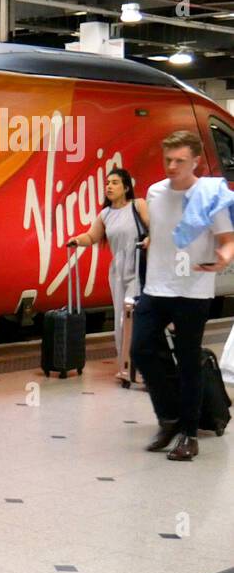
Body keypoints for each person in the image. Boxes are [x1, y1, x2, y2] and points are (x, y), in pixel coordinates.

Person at [129, 131, 234, 460]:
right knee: (142, 350)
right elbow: (160, 232)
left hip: (192, 291)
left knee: (188, 362)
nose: (172, 166)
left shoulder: (209, 195)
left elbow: (227, 240)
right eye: (168, 160)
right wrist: (151, 243)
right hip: (156, 287)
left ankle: (189, 434)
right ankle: (170, 417)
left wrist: (223, 258)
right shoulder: (155, 192)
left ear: (196, 162)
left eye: (179, 161)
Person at [67, 167, 149, 382]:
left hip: (140, 267)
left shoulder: (138, 205)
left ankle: (141, 366)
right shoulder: (105, 214)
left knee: (134, 318)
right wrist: (77, 240)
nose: (109, 186)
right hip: (118, 272)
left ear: (126, 187)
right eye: (107, 183)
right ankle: (126, 366)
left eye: (114, 182)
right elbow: (92, 236)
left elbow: (155, 229)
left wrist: (150, 240)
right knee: (121, 320)